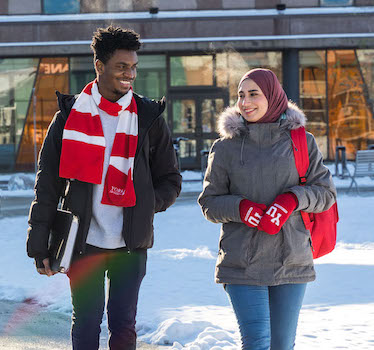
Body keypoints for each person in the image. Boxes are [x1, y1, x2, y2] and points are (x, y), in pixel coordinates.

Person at [26, 26, 181, 350]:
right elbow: (48, 182)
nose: (130, 74)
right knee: (85, 322)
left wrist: (147, 202)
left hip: (130, 243)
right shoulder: (70, 116)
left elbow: (170, 178)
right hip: (83, 241)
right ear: (100, 66)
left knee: (123, 326)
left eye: (134, 67)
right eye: (121, 67)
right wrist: (39, 241)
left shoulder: (148, 117)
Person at [198, 68, 336, 350]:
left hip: (291, 259)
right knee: (257, 343)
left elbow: (325, 194)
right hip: (242, 262)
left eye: (253, 94)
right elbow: (209, 202)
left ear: (272, 96)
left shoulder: (301, 141)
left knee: (282, 345)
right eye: (240, 95)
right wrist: (242, 208)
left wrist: (292, 200)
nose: (245, 102)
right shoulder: (225, 147)